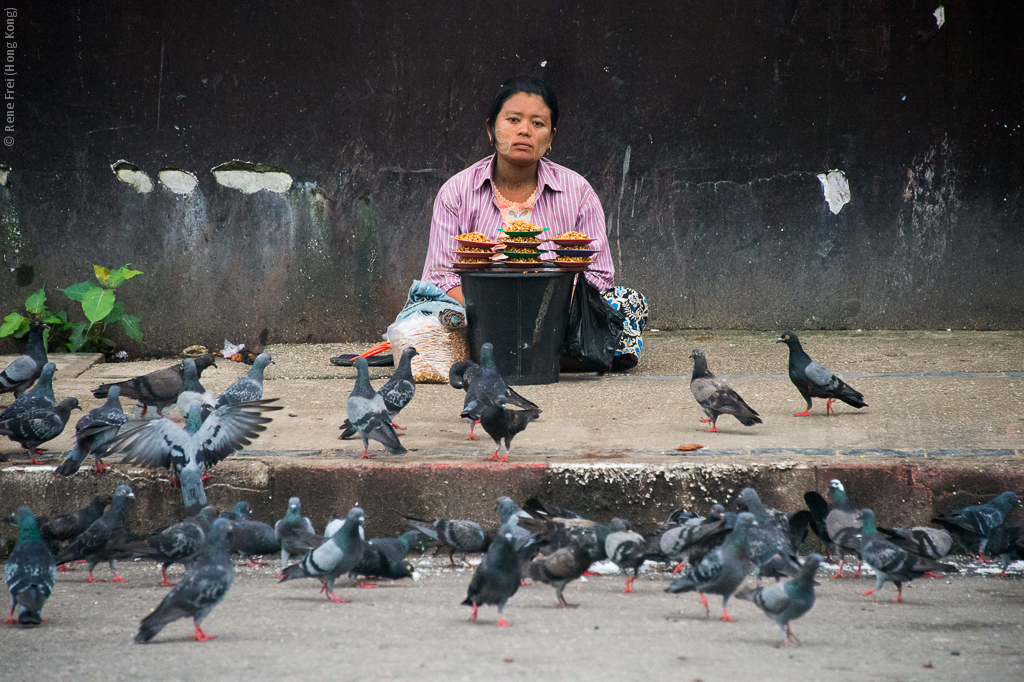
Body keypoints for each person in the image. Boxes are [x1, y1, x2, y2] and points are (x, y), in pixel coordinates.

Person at [421, 76, 648, 370]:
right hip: (480, 315)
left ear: (551, 137)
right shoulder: (456, 192)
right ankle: (550, 358)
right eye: (513, 120)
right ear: (491, 128)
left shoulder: (578, 192)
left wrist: (545, 312)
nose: (524, 130)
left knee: (626, 302)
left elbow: (600, 277)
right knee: (424, 318)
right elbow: (438, 278)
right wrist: (496, 314)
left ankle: (520, 356)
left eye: (538, 124)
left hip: (556, 316)